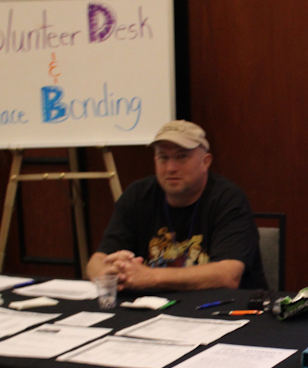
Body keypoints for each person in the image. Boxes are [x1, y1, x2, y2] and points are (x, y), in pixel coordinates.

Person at [87, 120, 268, 291]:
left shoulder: (228, 199)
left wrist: (150, 276)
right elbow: (97, 260)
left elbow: (228, 275)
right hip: (152, 306)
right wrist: (112, 275)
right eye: (163, 157)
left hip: (224, 308)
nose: (171, 168)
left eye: (182, 157)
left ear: (205, 162)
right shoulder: (137, 195)